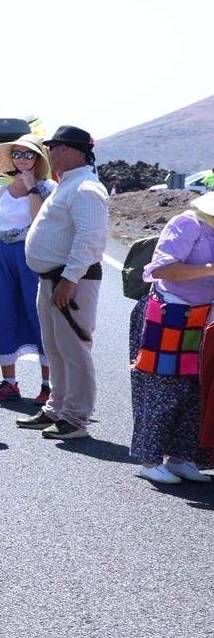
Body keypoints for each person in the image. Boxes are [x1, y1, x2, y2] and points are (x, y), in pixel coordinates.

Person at [20, 126, 110, 442]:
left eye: (53, 147)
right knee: (56, 348)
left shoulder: (85, 188)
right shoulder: (70, 184)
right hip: (55, 278)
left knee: (73, 349)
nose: (49, 153)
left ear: (67, 150)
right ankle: (57, 408)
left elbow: (90, 238)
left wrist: (70, 279)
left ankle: (75, 417)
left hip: (70, 280)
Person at [129, 192, 214, 485]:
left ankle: (181, 457)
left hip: (203, 317)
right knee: (161, 388)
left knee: (195, 389)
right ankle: (150, 459)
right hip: (169, 313)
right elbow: (162, 269)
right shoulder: (187, 224)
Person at [0, 137, 55, 404]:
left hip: (32, 255)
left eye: (28, 154)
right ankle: (9, 382)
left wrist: (32, 187)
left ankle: (48, 385)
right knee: (1, 313)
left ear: (38, 159)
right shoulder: (0, 192)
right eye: (17, 154)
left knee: (39, 315)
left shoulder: (48, 189)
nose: (22, 159)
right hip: (1, 256)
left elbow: (39, 220)